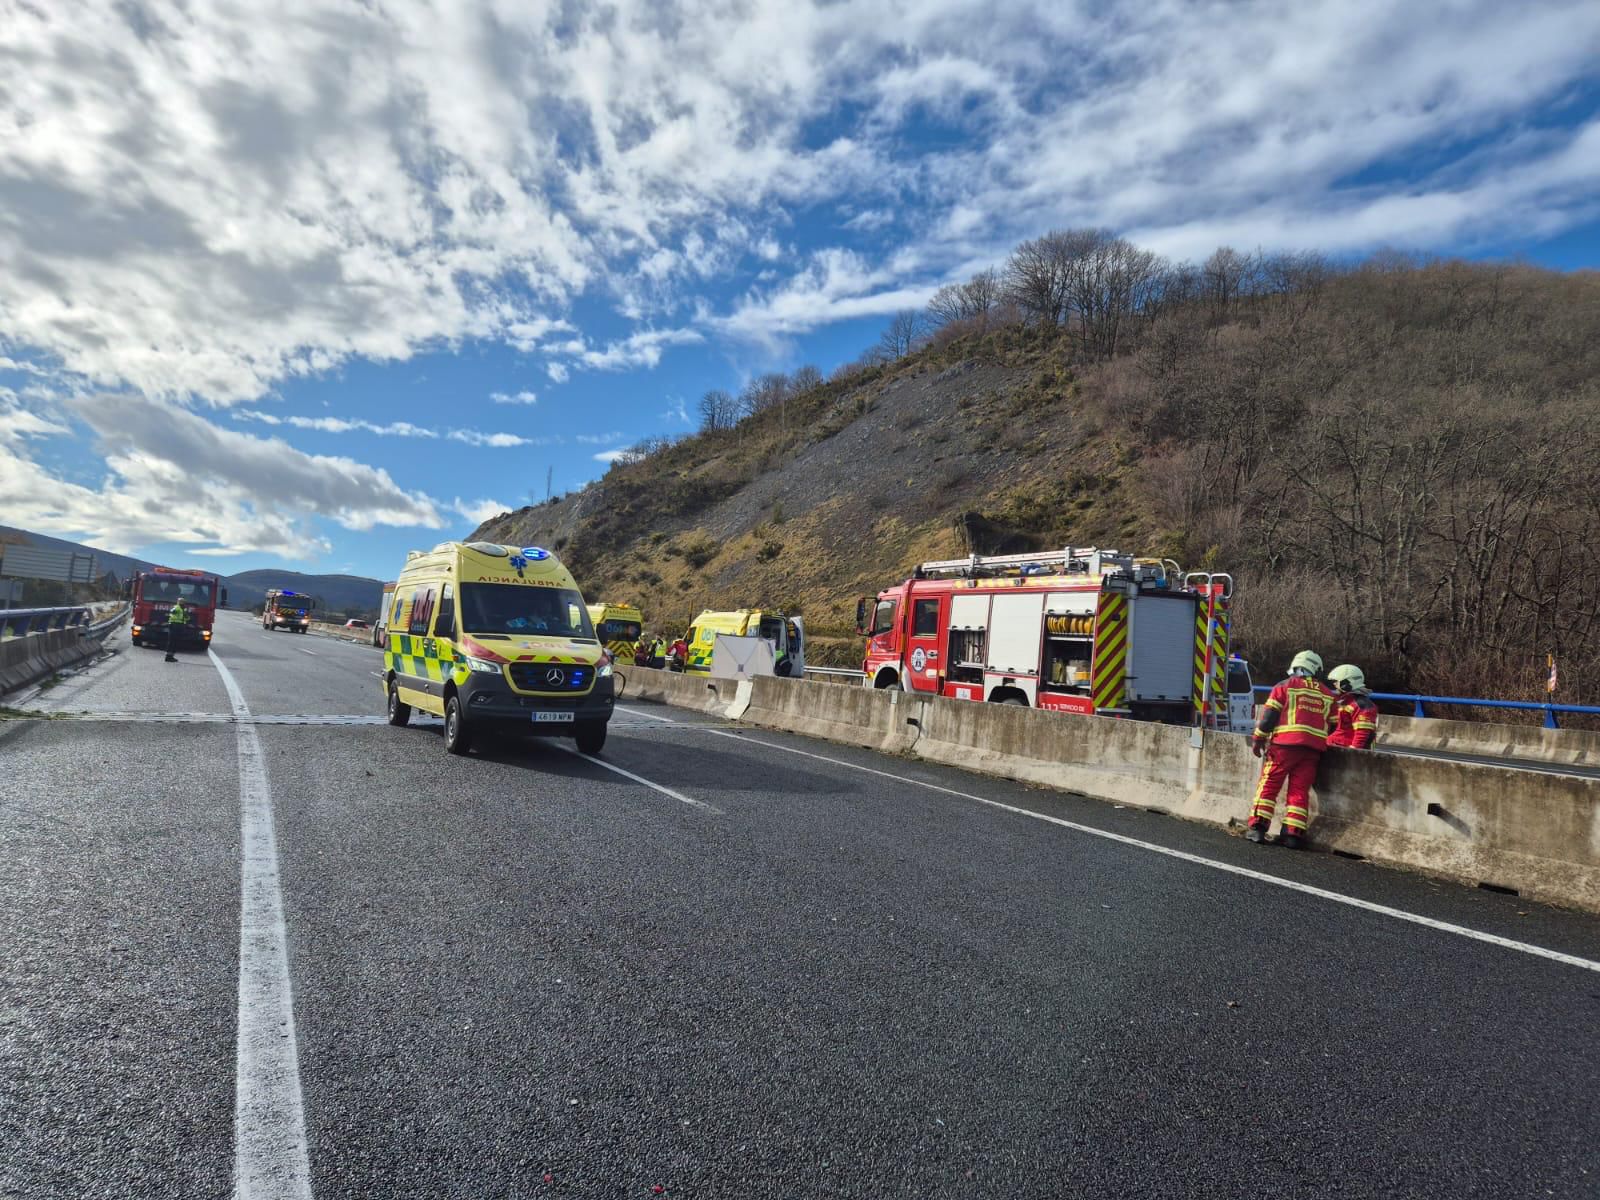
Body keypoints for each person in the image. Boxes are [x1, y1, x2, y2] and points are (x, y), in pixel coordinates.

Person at [1246, 650, 1338, 849]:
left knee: (1269, 785)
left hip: (1284, 747)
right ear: (1316, 669)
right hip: (1312, 751)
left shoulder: (1284, 686)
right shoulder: (1328, 694)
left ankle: (1257, 829)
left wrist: (1258, 738)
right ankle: (1292, 834)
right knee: (1299, 791)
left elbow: (1270, 716)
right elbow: (1333, 725)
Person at [1327, 664, 1379, 749]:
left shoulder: (1362, 705)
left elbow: (1361, 734)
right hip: (1335, 746)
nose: (1334, 684)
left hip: (1345, 750)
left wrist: (1352, 753)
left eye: (1336, 681)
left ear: (1347, 683)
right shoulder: (1344, 701)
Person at [164, 597, 189, 662]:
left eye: (183, 601)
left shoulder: (183, 609)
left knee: (175, 642)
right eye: (181, 601)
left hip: (180, 626)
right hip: (174, 625)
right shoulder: (177, 607)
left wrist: (187, 617)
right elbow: (172, 611)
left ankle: (171, 656)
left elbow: (186, 618)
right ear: (178, 602)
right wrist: (174, 612)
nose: (182, 603)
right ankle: (168, 656)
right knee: (172, 641)